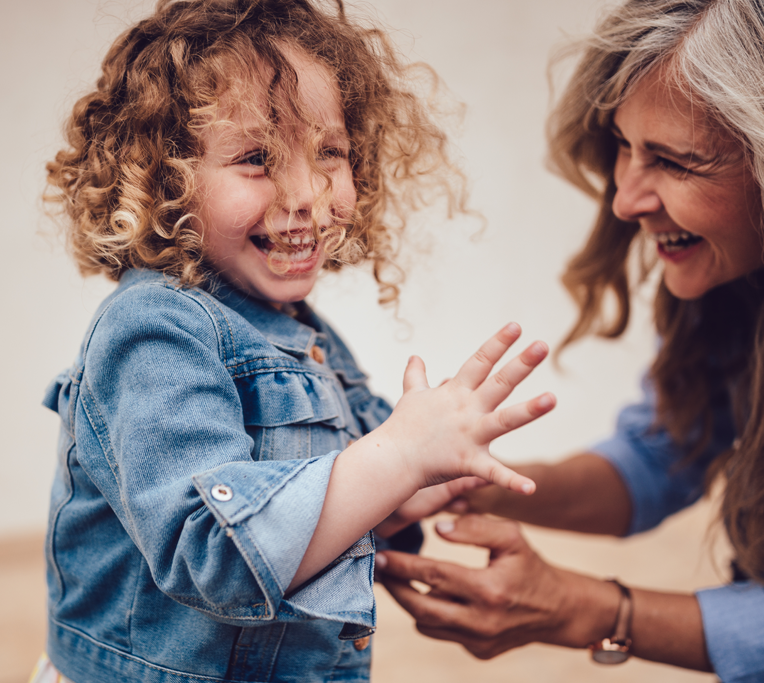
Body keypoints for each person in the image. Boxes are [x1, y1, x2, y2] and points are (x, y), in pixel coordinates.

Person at [375, 0, 764, 680]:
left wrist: (584, 608)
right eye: (625, 147)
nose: (624, 198)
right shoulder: (742, 280)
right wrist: (480, 482)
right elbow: (661, 452)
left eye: (674, 161)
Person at [31, 1, 556, 681]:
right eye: (256, 158)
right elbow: (214, 552)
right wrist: (396, 455)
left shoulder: (302, 332)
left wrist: (411, 488)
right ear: (167, 180)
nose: (306, 191)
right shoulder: (152, 330)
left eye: (329, 152)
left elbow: (320, 497)